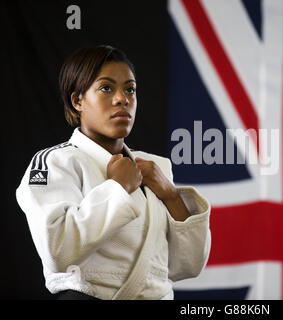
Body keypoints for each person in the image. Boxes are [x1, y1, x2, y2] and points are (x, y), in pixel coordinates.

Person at [15, 45, 211, 300]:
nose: (122, 98)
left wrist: (172, 196)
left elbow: (187, 266)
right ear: (78, 101)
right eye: (106, 88)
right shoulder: (57, 162)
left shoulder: (156, 168)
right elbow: (57, 252)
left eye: (130, 89)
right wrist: (117, 189)